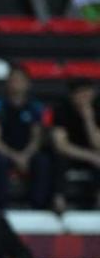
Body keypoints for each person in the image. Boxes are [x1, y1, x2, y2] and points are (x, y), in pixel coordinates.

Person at [0, 66, 53, 210]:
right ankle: (0, 205)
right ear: (7, 82)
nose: (17, 83)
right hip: (3, 150)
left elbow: (36, 137)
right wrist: (15, 156)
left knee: (42, 161)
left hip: (25, 150)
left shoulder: (34, 106)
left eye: (21, 80)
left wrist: (26, 155)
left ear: (28, 83)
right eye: (14, 79)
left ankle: (37, 205)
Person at [51, 78, 100, 210]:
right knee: (57, 159)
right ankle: (58, 199)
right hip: (71, 154)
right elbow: (61, 145)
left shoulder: (97, 109)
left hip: (92, 154)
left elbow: (97, 144)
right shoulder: (62, 109)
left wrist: (88, 119)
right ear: (72, 96)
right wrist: (90, 156)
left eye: (87, 92)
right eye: (80, 93)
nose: (84, 97)